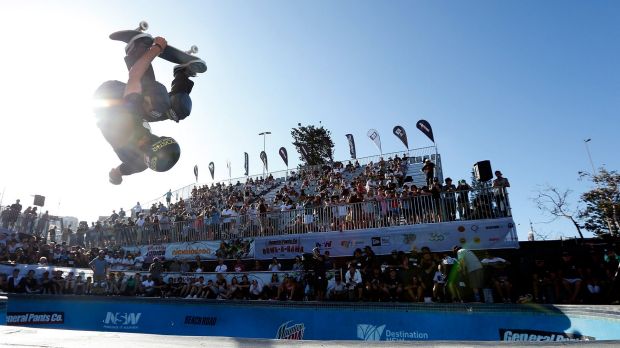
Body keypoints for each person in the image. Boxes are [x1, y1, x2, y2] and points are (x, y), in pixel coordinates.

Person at [94, 34, 205, 185]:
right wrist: (115, 176)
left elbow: (135, 75)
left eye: (146, 140)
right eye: (154, 137)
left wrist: (156, 48)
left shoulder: (127, 124)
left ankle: (135, 49)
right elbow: (119, 171)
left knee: (157, 102)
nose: (147, 137)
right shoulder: (140, 164)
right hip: (134, 111)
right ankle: (182, 73)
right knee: (179, 110)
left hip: (108, 97)